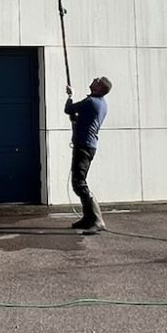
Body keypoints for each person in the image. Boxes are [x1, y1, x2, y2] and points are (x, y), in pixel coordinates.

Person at [64, 76, 112, 233]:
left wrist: (70, 96)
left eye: (97, 80)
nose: (93, 79)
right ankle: (87, 218)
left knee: (79, 183)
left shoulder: (91, 102)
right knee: (79, 182)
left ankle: (97, 220)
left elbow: (69, 110)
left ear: (99, 88)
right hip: (87, 145)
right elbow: (80, 118)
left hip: (84, 146)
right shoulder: (100, 103)